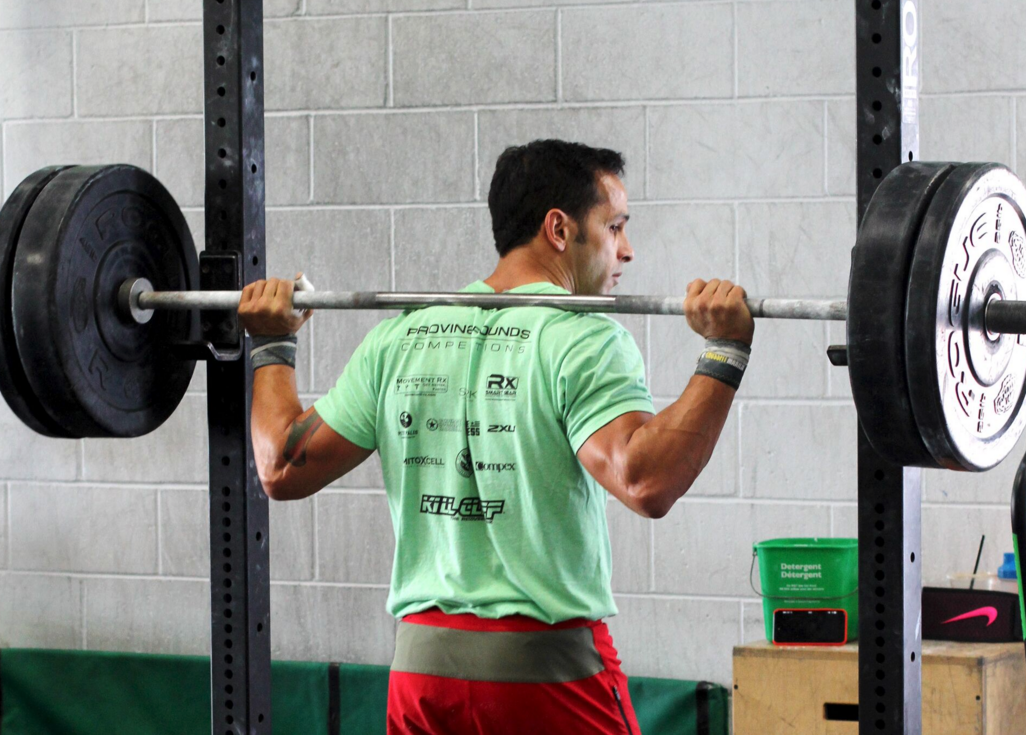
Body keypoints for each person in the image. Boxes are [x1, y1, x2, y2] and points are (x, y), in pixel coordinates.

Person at [237, 139, 754, 735]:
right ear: (559, 229)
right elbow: (646, 480)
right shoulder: (580, 338)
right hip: (543, 675)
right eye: (615, 226)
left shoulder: (401, 337)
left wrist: (272, 343)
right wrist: (724, 351)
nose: (627, 250)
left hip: (422, 675)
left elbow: (282, 465)